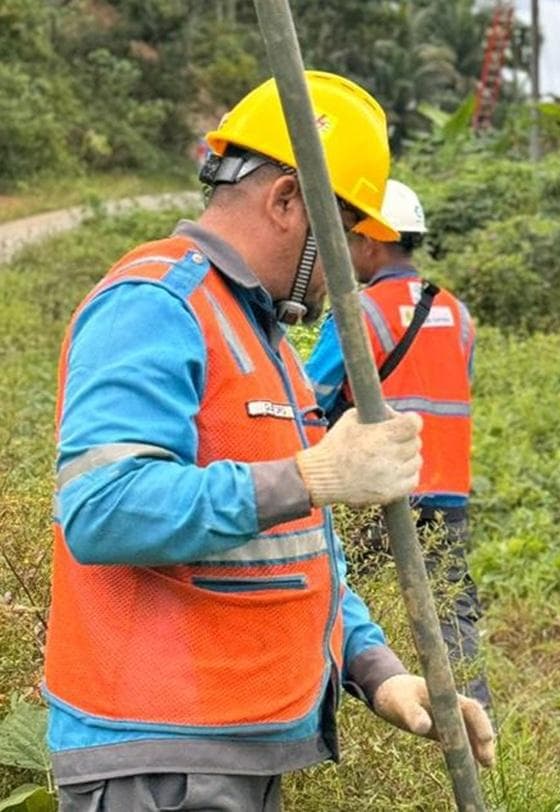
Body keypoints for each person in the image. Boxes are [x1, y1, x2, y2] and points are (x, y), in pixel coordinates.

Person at [44, 71, 494, 812]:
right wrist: (311, 475)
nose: (351, 264)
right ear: (287, 199)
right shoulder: (156, 303)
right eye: (346, 235)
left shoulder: (269, 341)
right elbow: (102, 507)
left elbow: (303, 546)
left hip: (233, 749)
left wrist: (379, 672)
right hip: (157, 760)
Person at [306, 179, 491, 709]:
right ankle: (474, 724)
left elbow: (311, 396)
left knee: (336, 599)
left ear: (370, 242)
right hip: (447, 490)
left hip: (378, 488)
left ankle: (345, 703)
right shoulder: (456, 312)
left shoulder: (360, 311)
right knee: (452, 614)